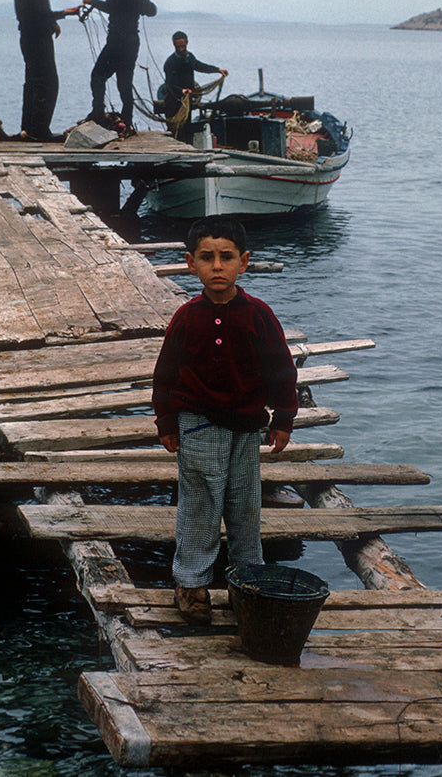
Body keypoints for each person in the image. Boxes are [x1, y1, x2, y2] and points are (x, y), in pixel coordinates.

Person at [152, 217, 298, 625]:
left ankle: (247, 580)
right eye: (207, 257)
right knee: (199, 504)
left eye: (227, 257)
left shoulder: (259, 316)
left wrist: (283, 416)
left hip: (247, 427)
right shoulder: (186, 318)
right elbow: (165, 374)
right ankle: (192, 583)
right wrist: (166, 421)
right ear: (190, 263)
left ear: (244, 262)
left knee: (244, 506)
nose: (217, 266)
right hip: (198, 424)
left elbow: (281, 369)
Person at [82, 0, 157, 132]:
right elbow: (151, 10)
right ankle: (128, 120)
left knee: (98, 76)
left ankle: (98, 113)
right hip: (132, 42)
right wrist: (141, 4)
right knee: (125, 82)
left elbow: (111, 7)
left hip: (117, 41)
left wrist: (91, 0)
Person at [14, 0, 80, 141]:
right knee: (48, 83)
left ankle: (27, 128)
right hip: (38, 42)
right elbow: (41, 15)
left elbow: (32, 15)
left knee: (32, 84)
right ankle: (40, 130)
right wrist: (64, 13)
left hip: (27, 39)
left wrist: (52, 23)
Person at [162, 31, 228, 138]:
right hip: (174, 102)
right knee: (175, 130)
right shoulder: (170, 62)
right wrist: (181, 90)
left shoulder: (190, 57)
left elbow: (201, 66)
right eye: (177, 46)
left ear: (187, 43)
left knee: (187, 129)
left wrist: (218, 70)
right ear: (173, 45)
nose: (180, 49)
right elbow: (169, 84)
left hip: (187, 100)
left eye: (182, 46)